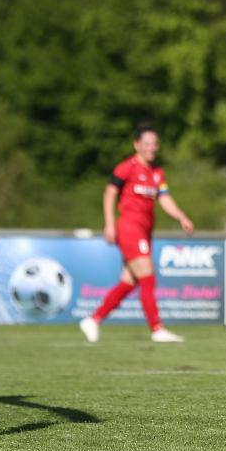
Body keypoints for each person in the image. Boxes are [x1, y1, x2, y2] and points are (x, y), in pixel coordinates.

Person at [79, 125, 194, 343]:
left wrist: (181, 216)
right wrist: (109, 224)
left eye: (155, 144)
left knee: (129, 282)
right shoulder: (127, 168)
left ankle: (93, 320)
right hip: (130, 228)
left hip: (145, 230)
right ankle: (157, 329)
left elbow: (164, 198)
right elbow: (109, 193)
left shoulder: (157, 172)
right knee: (148, 277)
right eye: (147, 143)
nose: (152, 148)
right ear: (137, 145)